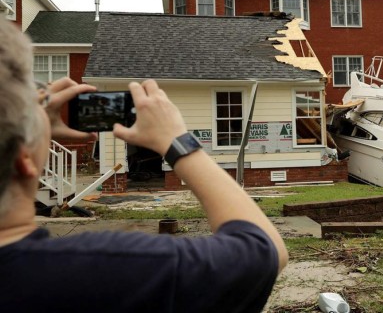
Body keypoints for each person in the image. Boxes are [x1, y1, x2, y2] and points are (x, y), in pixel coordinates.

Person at [0, 18, 288, 312]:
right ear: (24, 157)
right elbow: (265, 250)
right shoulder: (109, 271)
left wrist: (30, 124)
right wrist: (178, 142)